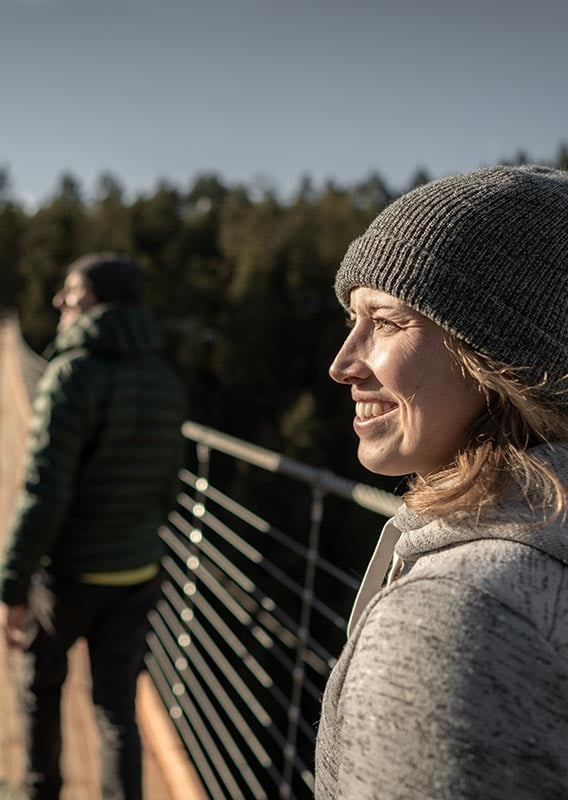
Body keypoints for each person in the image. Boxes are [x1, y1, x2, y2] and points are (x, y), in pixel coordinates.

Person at [315, 165, 568, 800]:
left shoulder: (454, 621)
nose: (343, 363)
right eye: (352, 318)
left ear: (500, 357)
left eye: (389, 321)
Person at [0, 253, 185, 800]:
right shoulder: (164, 377)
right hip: (136, 573)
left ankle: (39, 791)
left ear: (100, 304)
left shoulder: (69, 375)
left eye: (72, 294)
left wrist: (12, 585)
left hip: (70, 577)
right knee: (116, 709)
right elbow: (166, 487)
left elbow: (43, 492)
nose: (60, 302)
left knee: (42, 689)